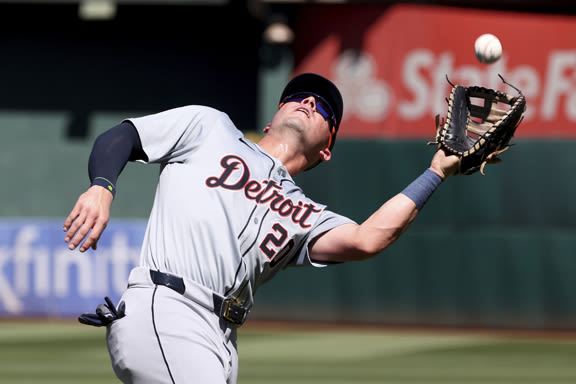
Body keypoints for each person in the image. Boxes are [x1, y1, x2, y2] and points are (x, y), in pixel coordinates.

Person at [64, 73, 460, 384]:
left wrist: (435, 172)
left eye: (323, 107)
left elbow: (369, 237)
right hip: (169, 309)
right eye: (299, 96)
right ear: (273, 118)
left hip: (221, 337)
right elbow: (123, 136)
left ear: (326, 149)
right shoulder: (210, 127)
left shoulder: (305, 214)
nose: (308, 102)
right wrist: (102, 186)